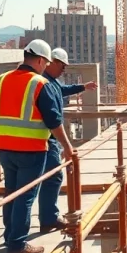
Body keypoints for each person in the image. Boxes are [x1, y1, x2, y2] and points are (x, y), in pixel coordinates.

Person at [0, 39, 75, 253]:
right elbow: (53, 120)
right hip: (31, 148)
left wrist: (7, 132)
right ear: (38, 60)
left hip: (4, 147)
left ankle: (11, 237)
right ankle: (17, 245)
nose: (45, 67)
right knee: (25, 196)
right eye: (45, 63)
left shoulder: (0, 79)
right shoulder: (38, 84)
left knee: (11, 194)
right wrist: (68, 147)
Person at [36, 48, 99, 233]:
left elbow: (62, 90)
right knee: (52, 177)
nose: (63, 70)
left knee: (46, 179)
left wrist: (82, 87)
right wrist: (67, 145)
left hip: (46, 140)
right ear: (52, 62)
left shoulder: (51, 82)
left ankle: (44, 219)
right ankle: (47, 219)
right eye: (62, 66)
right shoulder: (45, 83)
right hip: (46, 139)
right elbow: (53, 118)